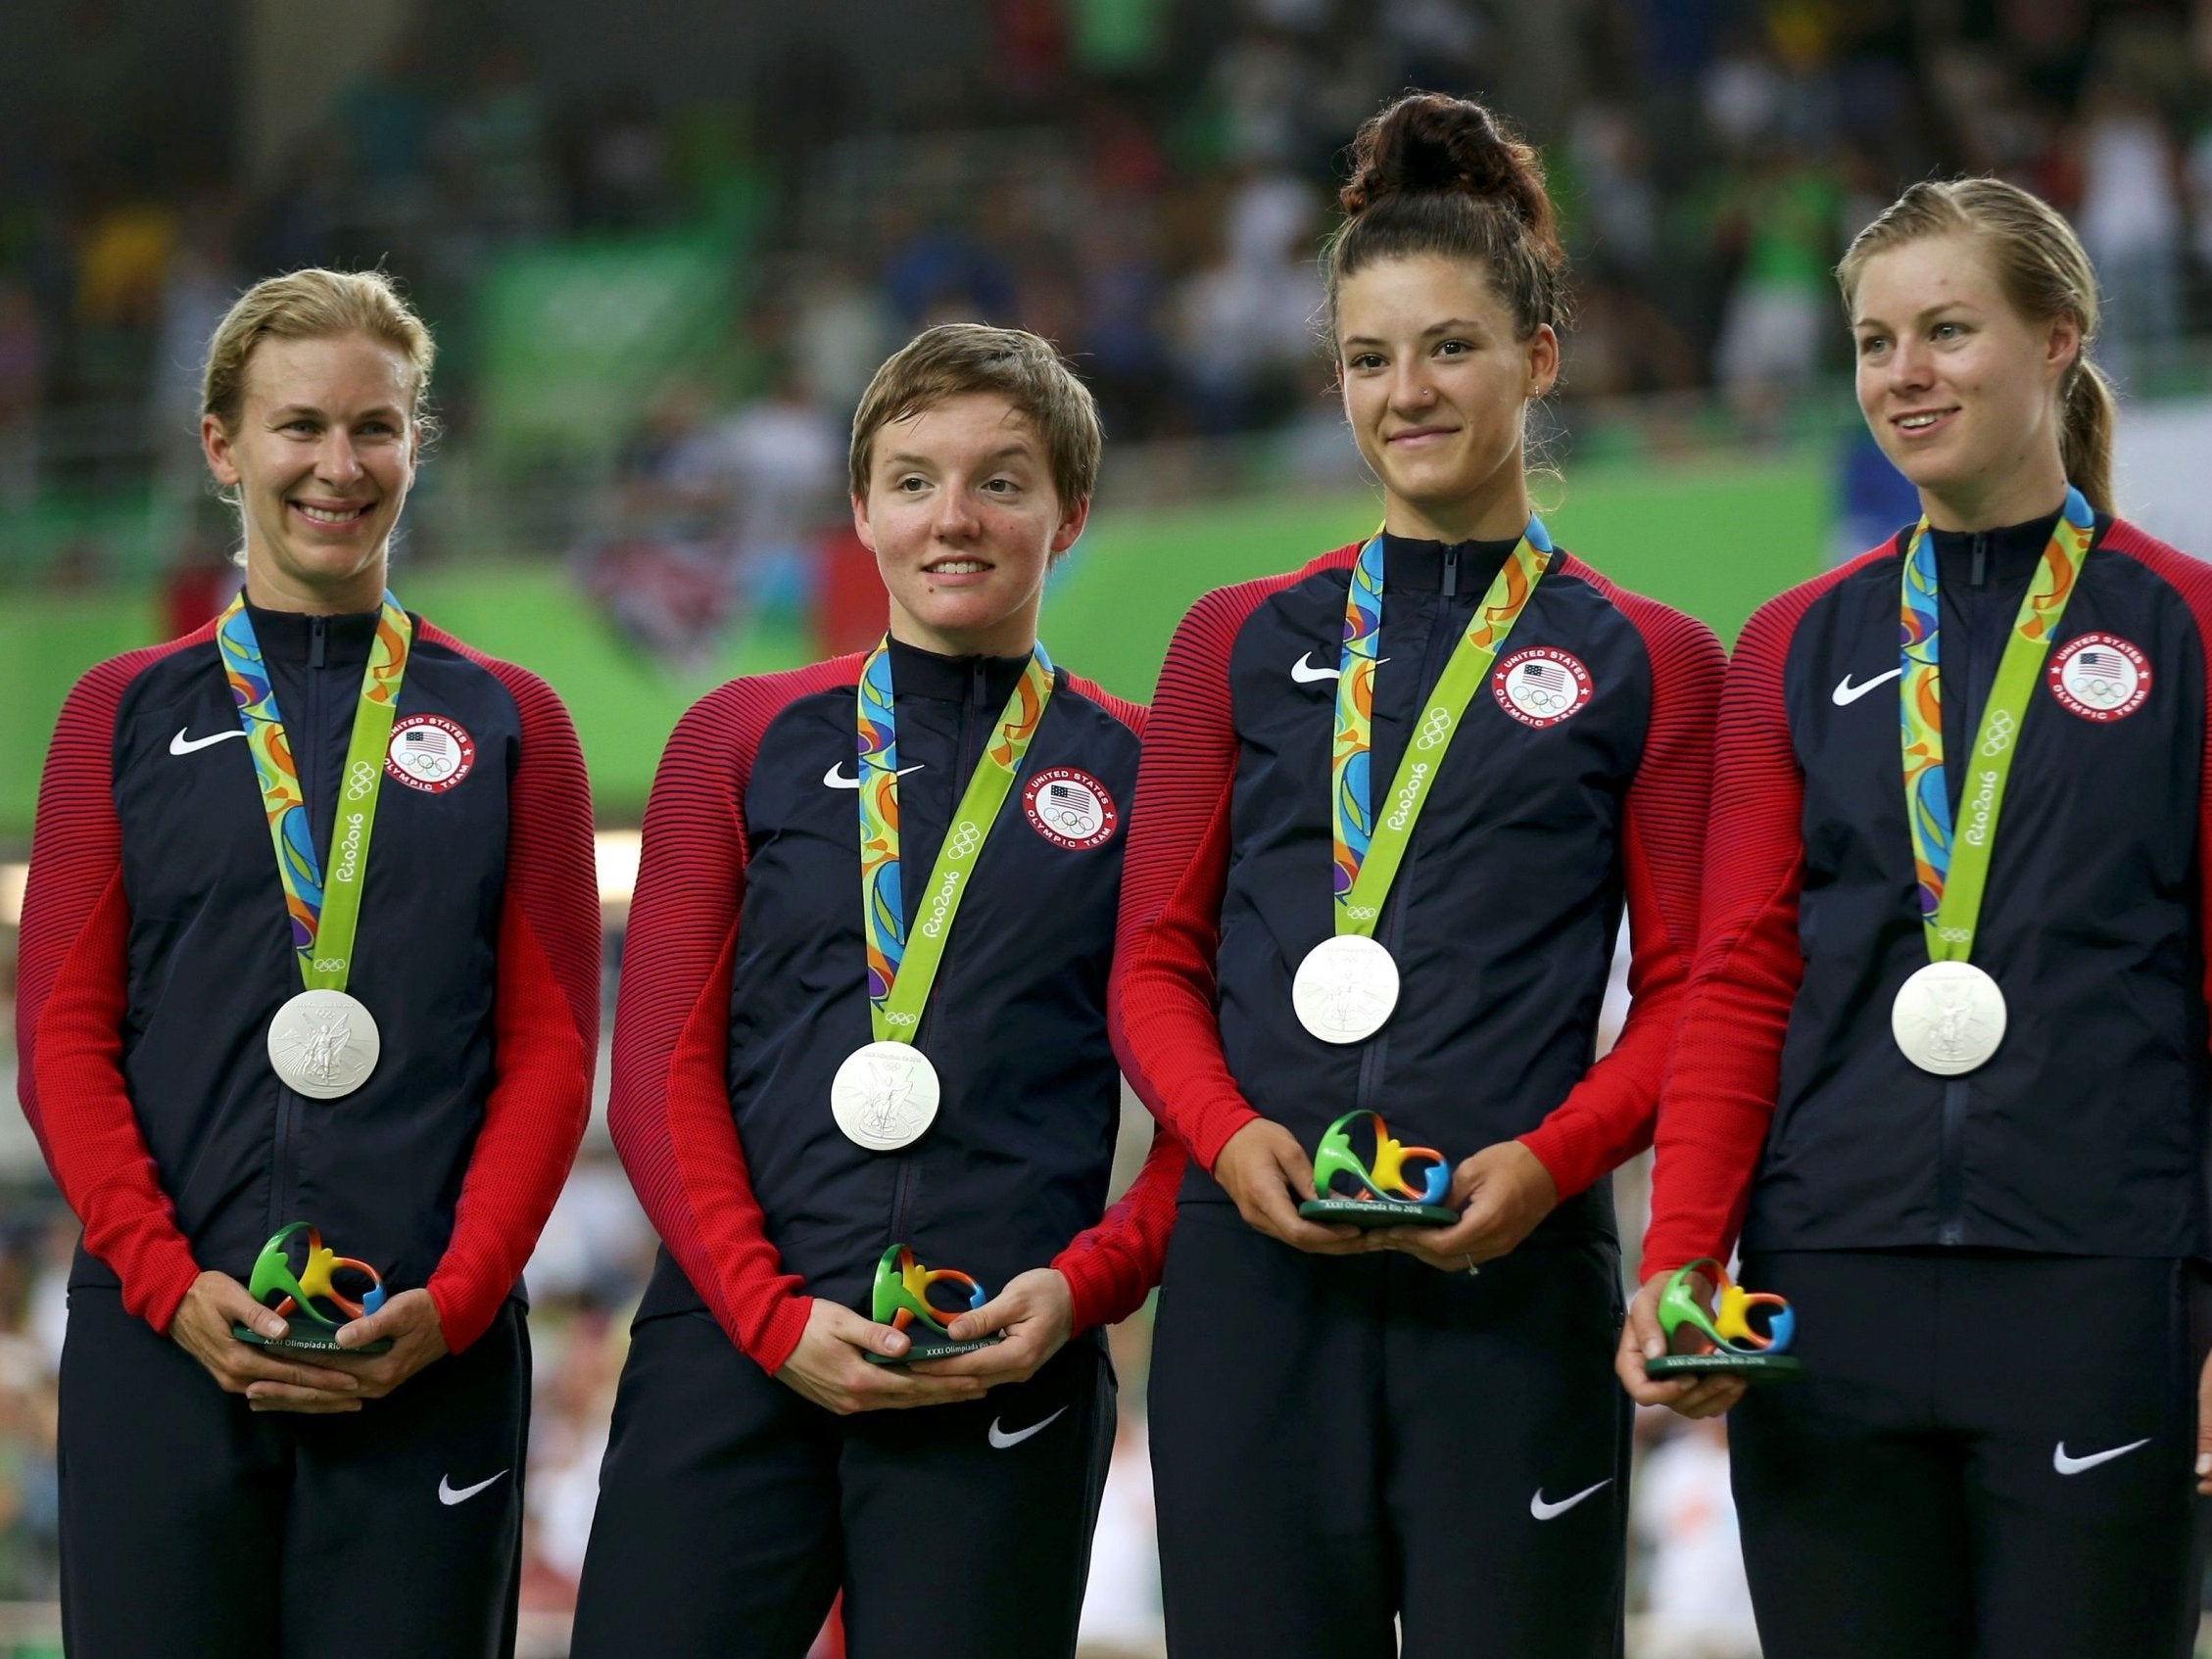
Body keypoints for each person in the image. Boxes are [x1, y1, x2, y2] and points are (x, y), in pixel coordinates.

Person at [1112, 92, 1723, 1658]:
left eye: (1449, 347)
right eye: (1370, 360)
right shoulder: (1234, 638)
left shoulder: (1647, 658)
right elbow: (1154, 967)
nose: (1408, 392)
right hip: (1255, 1288)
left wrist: (1550, 1161)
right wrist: (1230, 1140)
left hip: (1510, 1281)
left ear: (1537, 356)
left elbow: (1691, 996)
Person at [1619, 176, 2212, 1659]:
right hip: (1830, 1292)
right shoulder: (1793, 643)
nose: (1904, 372)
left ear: (2057, 340)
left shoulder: (2185, 625)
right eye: (1877, 339)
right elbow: (1743, 971)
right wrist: (1682, 1255)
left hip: (2099, 1280)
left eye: (1948, 329)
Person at [567, 323, 1182, 1659]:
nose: (951, 518)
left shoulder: (1148, 771)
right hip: (736, 1346)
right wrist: (762, 1308)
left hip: (1000, 1357)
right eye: (912, 480)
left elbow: (1208, 1103)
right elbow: (663, 1064)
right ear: (859, 509)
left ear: (1068, 514)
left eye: (999, 481)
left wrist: (1083, 1288)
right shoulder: (738, 737)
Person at [16, 268, 600, 1657]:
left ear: (416, 442)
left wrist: (454, 1303)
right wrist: (164, 1281)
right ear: (223, 445)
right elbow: (62, 1035)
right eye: (298, 427)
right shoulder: (117, 713)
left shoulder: (514, 723)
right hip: (162, 1343)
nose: (338, 466)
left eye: (375, 428)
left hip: (419, 1352)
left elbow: (552, 1045)